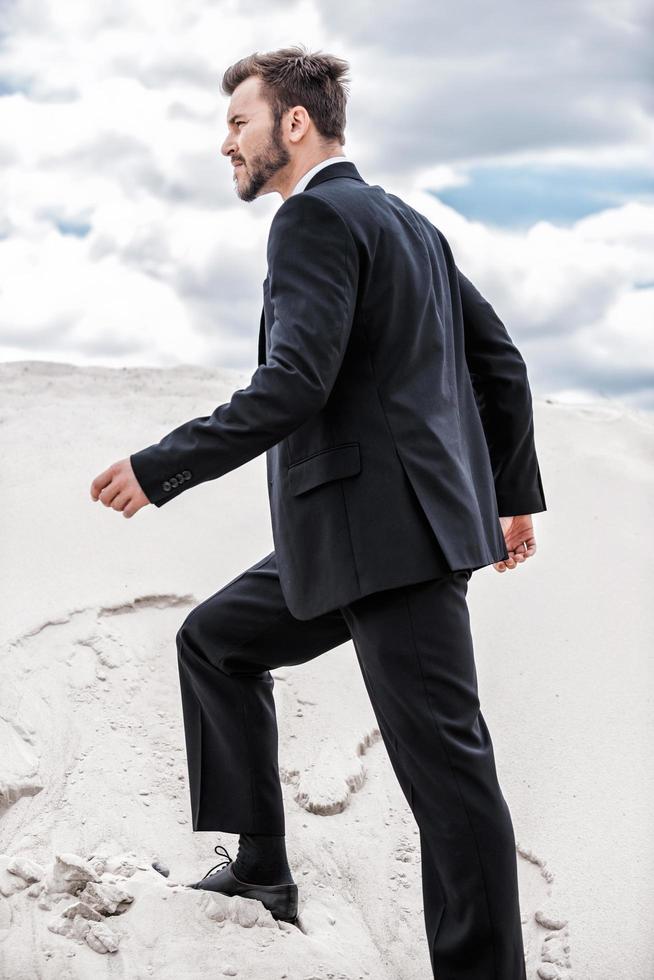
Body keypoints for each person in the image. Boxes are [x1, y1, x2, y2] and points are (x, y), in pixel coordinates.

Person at [90, 44, 546, 979]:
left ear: (293, 124)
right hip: (350, 536)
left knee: (451, 781)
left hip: (395, 546)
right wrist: (511, 497)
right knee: (215, 641)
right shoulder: (409, 225)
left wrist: (160, 464)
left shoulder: (313, 221)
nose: (227, 143)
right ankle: (262, 871)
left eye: (237, 123)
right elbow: (501, 364)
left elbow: (293, 383)